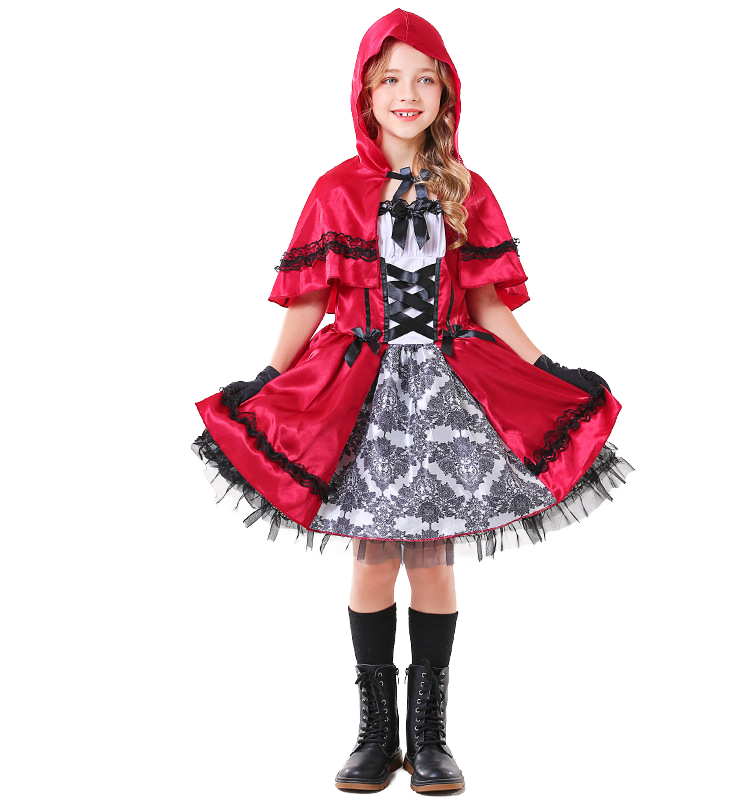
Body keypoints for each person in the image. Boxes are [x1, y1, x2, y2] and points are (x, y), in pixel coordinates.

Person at [192, 8, 633, 793]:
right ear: (365, 95)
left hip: (446, 396)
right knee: (372, 560)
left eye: (424, 80)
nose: (407, 93)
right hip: (359, 396)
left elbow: (489, 304)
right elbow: (310, 299)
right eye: (391, 80)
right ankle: (375, 734)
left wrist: (547, 366)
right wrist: (270, 374)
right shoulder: (335, 191)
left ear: (445, 94)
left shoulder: (466, 188)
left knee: (430, 561)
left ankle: (430, 737)